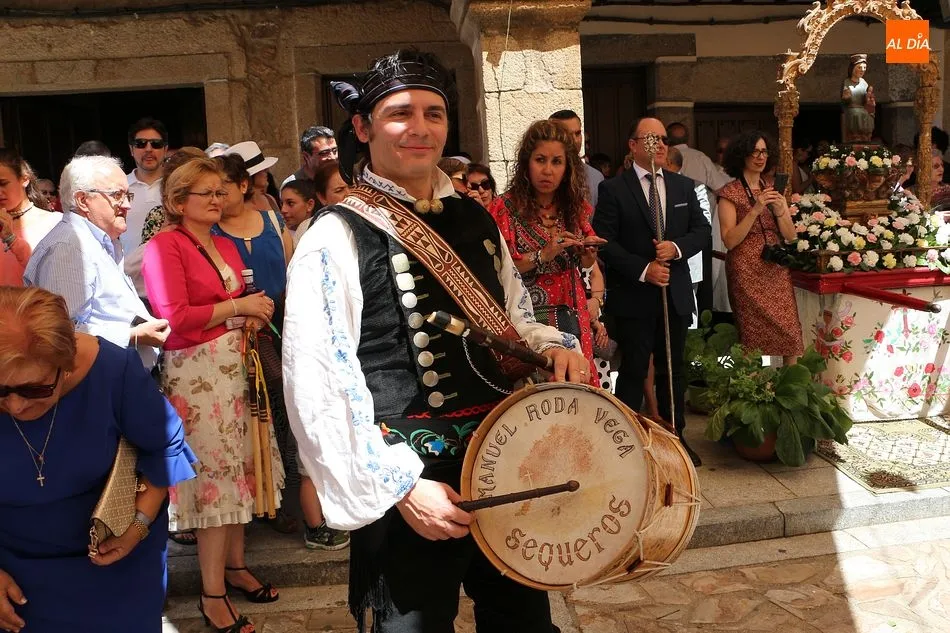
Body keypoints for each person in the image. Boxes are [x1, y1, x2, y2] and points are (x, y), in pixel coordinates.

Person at [283, 49, 588, 633]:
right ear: (363, 128)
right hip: (411, 475)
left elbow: (512, 314)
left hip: (501, 458)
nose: (419, 128)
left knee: (523, 622)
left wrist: (549, 345)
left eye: (433, 113)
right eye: (400, 114)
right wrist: (400, 488)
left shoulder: (476, 218)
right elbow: (317, 380)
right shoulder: (335, 235)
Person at [0, 285, 195, 633]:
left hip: (116, 571)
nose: (15, 406)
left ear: (66, 365)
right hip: (13, 578)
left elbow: (165, 446)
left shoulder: (111, 372)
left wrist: (138, 526)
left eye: (36, 389)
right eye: (1, 390)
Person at [142, 156, 283, 633]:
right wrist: (240, 307)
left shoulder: (220, 241)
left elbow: (227, 304)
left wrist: (247, 314)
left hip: (232, 365)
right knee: (216, 478)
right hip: (197, 374)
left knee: (240, 468)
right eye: (206, 193)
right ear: (178, 201)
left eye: (220, 191)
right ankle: (211, 592)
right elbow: (174, 318)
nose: (217, 199)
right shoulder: (164, 245)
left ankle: (235, 567)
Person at [592, 117, 711, 467]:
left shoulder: (683, 186)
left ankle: (676, 438)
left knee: (673, 370)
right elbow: (605, 241)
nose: (659, 145)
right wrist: (644, 269)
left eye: (663, 139)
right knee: (633, 369)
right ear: (633, 145)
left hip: (674, 295)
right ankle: (627, 443)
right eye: (650, 139)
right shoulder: (614, 189)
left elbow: (702, 231)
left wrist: (676, 248)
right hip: (635, 297)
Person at [488, 119, 607, 383]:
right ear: (526, 163)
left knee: (577, 388)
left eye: (557, 162)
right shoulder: (504, 209)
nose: (548, 171)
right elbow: (498, 271)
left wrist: (588, 256)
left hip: (573, 313)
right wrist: (543, 255)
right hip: (527, 319)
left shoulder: (574, 208)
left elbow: (588, 267)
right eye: (540, 160)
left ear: (568, 167)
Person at [24, 155, 169, 370]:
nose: (127, 205)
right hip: (96, 381)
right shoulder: (68, 247)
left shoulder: (100, 241)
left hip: (118, 376)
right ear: (83, 200)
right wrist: (133, 335)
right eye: (117, 195)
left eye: (127, 195)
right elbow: (64, 333)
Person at [717, 131, 803, 365]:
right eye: (754, 152)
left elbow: (791, 237)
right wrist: (755, 209)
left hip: (775, 266)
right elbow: (729, 240)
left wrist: (780, 211)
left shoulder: (773, 189)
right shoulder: (730, 192)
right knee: (752, 336)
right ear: (741, 155)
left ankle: (791, 382)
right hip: (746, 269)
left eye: (764, 152)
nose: (760, 157)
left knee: (790, 332)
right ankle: (754, 385)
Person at [0, 149, 61, 286]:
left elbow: (55, 274)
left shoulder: (55, 223)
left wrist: (11, 240)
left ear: (24, 179)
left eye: (3, 183)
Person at [841, 54, 876, 143]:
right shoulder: (847, 81)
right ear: (853, 69)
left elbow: (867, 97)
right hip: (852, 107)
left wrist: (869, 98)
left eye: (864, 67)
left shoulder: (864, 82)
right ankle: (855, 135)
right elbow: (845, 98)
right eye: (859, 67)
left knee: (868, 114)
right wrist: (847, 97)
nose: (862, 70)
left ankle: (866, 136)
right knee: (856, 112)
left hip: (863, 107)